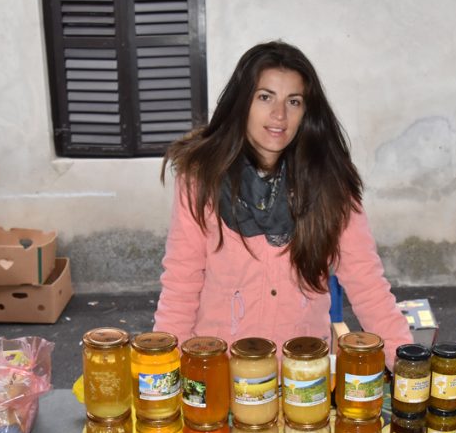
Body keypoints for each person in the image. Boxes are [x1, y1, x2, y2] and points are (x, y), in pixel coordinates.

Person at [154, 41, 411, 368]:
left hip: (303, 377)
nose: (279, 115)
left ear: (307, 111)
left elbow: (367, 283)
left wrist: (407, 365)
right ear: (242, 103)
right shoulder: (201, 179)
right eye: (265, 97)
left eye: (294, 101)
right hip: (219, 374)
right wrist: (163, 368)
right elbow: (181, 284)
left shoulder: (330, 183)